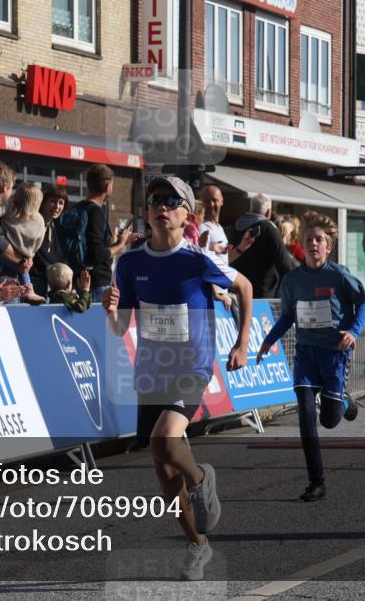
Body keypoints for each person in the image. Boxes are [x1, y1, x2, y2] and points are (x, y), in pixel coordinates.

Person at [103, 175, 253, 581]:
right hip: (152, 371)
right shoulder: (130, 263)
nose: (161, 206)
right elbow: (121, 330)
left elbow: (244, 286)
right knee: (163, 470)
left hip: (193, 365)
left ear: (187, 213)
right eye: (155, 200)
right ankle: (197, 546)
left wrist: (240, 343)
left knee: (164, 439)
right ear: (147, 211)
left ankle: (201, 477)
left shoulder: (198, 259)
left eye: (171, 200)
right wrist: (111, 311)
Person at [257, 210, 365, 502]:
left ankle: (343, 400)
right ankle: (315, 482)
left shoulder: (339, 275)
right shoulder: (292, 281)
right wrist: (269, 341)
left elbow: (364, 302)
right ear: (302, 244)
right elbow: (288, 316)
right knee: (306, 414)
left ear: (328, 246)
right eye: (309, 239)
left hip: (334, 354)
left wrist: (353, 331)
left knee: (330, 420)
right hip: (306, 354)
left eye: (319, 239)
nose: (314, 244)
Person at [60, 164, 137, 302]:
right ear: (108, 187)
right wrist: (121, 244)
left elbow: (91, 248)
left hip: (80, 281)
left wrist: (119, 242)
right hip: (96, 284)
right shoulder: (96, 212)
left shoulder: (78, 208)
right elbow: (98, 254)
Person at [227, 193, 293, 299]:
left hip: (236, 291)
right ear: (268, 212)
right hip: (262, 295)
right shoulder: (268, 228)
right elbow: (284, 264)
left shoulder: (236, 227)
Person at [0, 182, 46, 304]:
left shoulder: (11, 211)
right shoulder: (40, 220)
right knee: (24, 271)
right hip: (25, 258)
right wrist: (31, 254)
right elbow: (39, 241)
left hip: (3, 253)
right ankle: (29, 291)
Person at [197, 185, 235, 310]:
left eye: (214, 200)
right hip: (212, 297)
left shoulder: (219, 228)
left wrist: (241, 248)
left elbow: (223, 262)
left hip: (222, 296)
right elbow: (204, 263)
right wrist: (216, 293)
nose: (211, 204)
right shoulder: (202, 228)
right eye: (207, 201)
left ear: (222, 201)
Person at [30, 183, 69, 297]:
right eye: (53, 201)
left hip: (44, 284)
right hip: (33, 283)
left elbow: (58, 256)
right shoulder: (35, 223)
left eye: (61, 203)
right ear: (43, 202)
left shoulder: (51, 226)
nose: (57, 206)